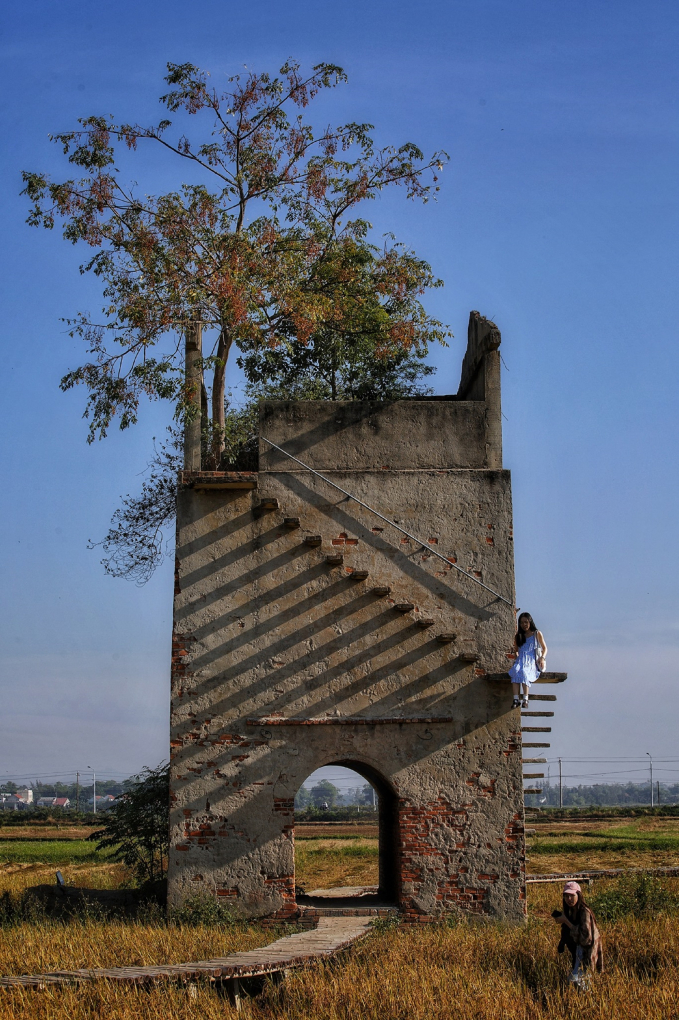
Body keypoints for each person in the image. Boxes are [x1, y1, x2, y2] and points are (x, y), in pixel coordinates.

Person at [552, 881, 604, 988]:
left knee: (581, 983)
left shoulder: (584, 912)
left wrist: (566, 921)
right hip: (579, 953)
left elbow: (586, 939)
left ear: (578, 895)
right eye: (566, 896)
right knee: (576, 982)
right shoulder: (572, 911)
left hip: (587, 953)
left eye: (572, 896)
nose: (569, 899)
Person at [509, 611, 547, 709]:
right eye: (521, 622)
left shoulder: (537, 633)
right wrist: (517, 658)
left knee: (524, 672)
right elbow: (516, 650)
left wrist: (542, 658)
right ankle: (516, 699)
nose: (524, 625)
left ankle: (525, 699)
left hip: (531, 661)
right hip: (521, 660)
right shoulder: (519, 636)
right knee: (515, 671)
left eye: (526, 622)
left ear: (530, 622)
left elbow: (545, 648)